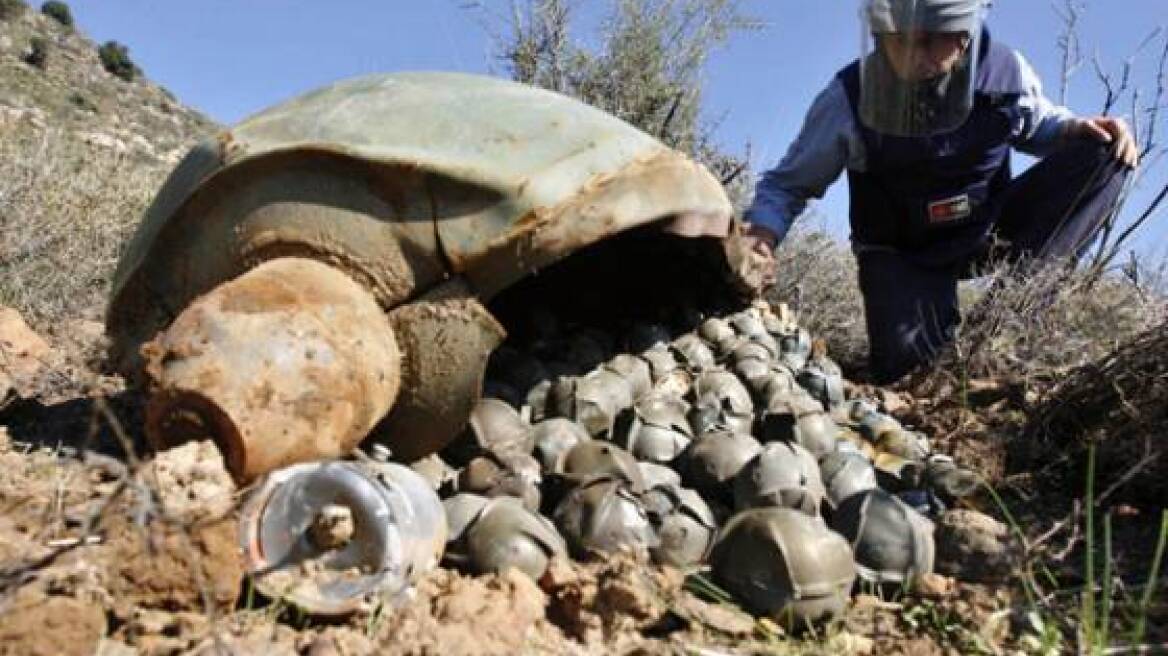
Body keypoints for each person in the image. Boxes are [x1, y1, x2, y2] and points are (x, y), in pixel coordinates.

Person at [742, 0, 1139, 384]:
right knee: (911, 372)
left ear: (965, 34)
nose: (915, 56)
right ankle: (927, 351)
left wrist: (1076, 127)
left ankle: (1007, 323)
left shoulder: (1003, 71)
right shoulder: (848, 98)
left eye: (932, 40)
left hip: (985, 228)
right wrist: (761, 236)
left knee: (1106, 153)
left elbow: (1039, 125)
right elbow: (787, 184)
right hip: (903, 253)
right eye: (901, 39)